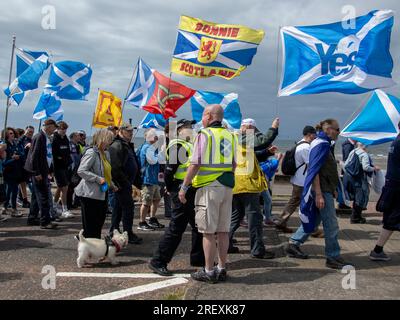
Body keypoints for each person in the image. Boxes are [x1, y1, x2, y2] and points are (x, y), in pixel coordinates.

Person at [179, 104, 236, 283]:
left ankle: (209, 271)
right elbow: (234, 164)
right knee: (223, 231)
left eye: (203, 116)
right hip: (227, 187)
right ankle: (221, 268)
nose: (202, 120)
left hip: (209, 187)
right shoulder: (230, 135)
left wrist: (184, 187)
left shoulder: (205, 134)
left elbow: (195, 163)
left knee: (208, 232)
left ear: (209, 116)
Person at [285, 119, 352, 269]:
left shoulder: (323, 143)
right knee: (331, 225)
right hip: (321, 191)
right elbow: (314, 170)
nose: (339, 132)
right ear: (328, 129)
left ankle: (293, 243)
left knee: (314, 220)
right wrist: (319, 194)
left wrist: (333, 187)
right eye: (337, 129)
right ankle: (332, 256)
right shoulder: (321, 144)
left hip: (325, 189)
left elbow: (325, 170)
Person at [149, 119, 205, 276]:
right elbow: (169, 171)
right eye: (188, 127)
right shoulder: (178, 145)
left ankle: (198, 259)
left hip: (189, 189)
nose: (191, 129)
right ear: (180, 130)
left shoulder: (187, 144)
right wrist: (171, 187)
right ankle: (158, 261)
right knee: (176, 227)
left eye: (191, 127)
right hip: (181, 189)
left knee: (197, 225)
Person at [228, 119, 275, 259]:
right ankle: (257, 250)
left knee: (235, 217)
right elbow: (262, 141)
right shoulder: (243, 137)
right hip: (247, 184)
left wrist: (266, 152)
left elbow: (250, 155)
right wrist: (273, 128)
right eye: (253, 130)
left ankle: (225, 243)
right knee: (254, 219)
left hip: (237, 184)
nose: (254, 133)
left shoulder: (236, 138)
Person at [74, 129, 117, 239]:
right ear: (102, 140)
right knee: (92, 225)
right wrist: (98, 179)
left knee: (99, 222)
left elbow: (106, 173)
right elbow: (81, 171)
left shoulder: (105, 153)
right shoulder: (91, 152)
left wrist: (111, 184)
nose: (110, 143)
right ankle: (91, 247)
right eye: (109, 140)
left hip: (102, 192)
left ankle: (93, 246)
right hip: (89, 194)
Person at [275, 126, 317, 233]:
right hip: (302, 181)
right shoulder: (305, 148)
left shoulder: (300, 144)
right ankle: (310, 228)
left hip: (298, 179)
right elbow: (311, 164)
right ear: (309, 134)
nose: (315, 136)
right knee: (305, 203)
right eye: (314, 134)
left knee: (294, 202)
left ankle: (281, 221)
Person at [369, 121, 400, 261]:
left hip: (392, 185)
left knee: (391, 219)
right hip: (397, 186)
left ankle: (378, 249)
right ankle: (377, 250)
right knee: (392, 220)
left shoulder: (395, 141)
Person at [108, 123, 143, 244]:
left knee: (118, 209)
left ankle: (114, 231)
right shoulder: (117, 145)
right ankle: (128, 233)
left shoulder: (126, 145)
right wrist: (126, 184)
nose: (131, 134)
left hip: (126, 183)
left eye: (132, 132)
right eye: (128, 132)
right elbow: (116, 168)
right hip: (122, 184)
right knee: (128, 209)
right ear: (121, 131)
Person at [25, 119, 59, 229]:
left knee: (36, 196)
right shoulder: (39, 137)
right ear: (48, 126)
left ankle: (32, 218)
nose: (55, 130)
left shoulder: (46, 137)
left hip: (43, 171)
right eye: (54, 127)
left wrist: (50, 170)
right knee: (43, 197)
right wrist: (36, 172)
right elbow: (34, 156)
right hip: (38, 172)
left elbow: (47, 155)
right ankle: (45, 221)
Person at [343, 142, 380, 224]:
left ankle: (355, 216)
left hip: (350, 177)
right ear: (365, 145)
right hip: (359, 178)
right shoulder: (364, 154)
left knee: (356, 197)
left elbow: (345, 165)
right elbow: (366, 167)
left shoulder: (353, 151)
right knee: (361, 197)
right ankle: (356, 218)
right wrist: (374, 168)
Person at [138, 128, 165, 230]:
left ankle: (152, 218)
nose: (157, 137)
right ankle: (142, 222)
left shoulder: (153, 148)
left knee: (157, 199)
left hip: (154, 179)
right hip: (147, 179)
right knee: (146, 202)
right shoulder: (146, 147)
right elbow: (152, 160)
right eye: (155, 135)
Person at [1, 127, 25, 217]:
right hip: (8, 171)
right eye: (10, 133)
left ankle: (5, 206)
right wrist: (13, 158)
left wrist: (19, 156)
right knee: (13, 190)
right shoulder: (5, 145)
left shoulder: (15, 143)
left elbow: (21, 154)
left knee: (10, 190)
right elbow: (4, 162)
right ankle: (13, 209)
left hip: (16, 170)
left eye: (13, 133)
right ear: (6, 135)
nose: (12, 135)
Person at [52, 121, 73, 218]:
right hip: (57, 167)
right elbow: (55, 154)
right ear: (57, 128)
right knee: (64, 187)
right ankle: (64, 209)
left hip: (65, 166)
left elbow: (67, 151)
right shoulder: (54, 138)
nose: (64, 131)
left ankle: (54, 205)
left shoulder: (65, 138)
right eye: (62, 128)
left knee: (61, 187)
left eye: (65, 129)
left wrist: (67, 160)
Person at [18, 125, 34, 208]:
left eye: (32, 132)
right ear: (25, 131)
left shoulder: (31, 139)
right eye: (29, 131)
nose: (30, 133)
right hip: (21, 164)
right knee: (22, 183)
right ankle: (23, 200)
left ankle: (22, 199)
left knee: (24, 182)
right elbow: (26, 145)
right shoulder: (22, 139)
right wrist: (29, 145)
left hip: (27, 164)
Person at [67, 132, 82, 210]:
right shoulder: (69, 144)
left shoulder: (77, 145)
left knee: (72, 188)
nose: (79, 137)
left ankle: (71, 203)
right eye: (77, 136)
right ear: (73, 137)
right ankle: (67, 204)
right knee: (69, 188)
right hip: (71, 169)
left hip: (76, 169)